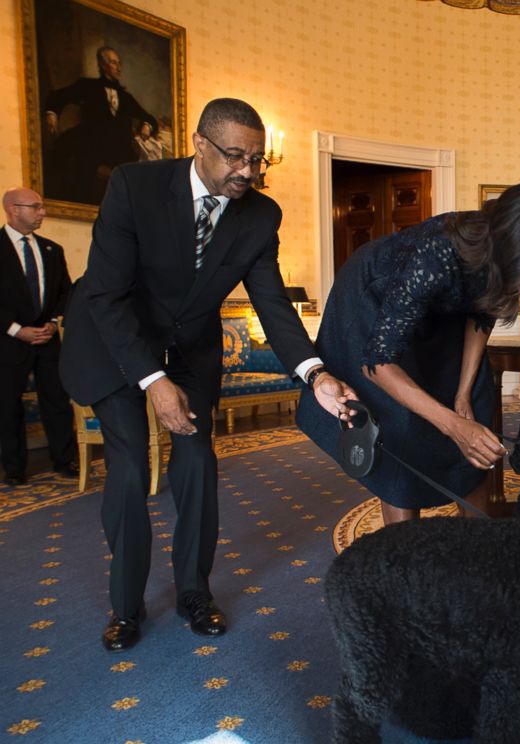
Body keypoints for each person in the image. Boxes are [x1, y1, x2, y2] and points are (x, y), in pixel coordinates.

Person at [59, 98, 357, 653]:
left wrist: (315, 374)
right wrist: (153, 380)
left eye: (257, 160)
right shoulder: (134, 186)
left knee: (197, 460)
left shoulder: (261, 215)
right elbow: (105, 294)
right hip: (112, 339)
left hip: (187, 344)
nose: (247, 171)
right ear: (200, 144)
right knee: (128, 468)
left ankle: (195, 592)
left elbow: (273, 305)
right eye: (235, 156)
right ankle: (125, 607)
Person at [297, 180, 520, 525]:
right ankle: (404, 554)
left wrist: (463, 394)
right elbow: (378, 363)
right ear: (510, 248)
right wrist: (452, 425)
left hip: (440, 313)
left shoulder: (507, 262)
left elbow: (482, 314)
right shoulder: (434, 255)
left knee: (476, 412)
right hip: (373, 309)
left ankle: (479, 547)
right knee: (401, 425)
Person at [0, 188, 76, 486]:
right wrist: (18, 330)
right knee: (7, 406)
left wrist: (54, 323)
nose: (42, 212)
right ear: (12, 209)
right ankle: (15, 469)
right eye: (35, 207)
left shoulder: (52, 249)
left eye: (42, 206)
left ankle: (64, 460)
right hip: (8, 341)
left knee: (57, 401)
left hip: (48, 339)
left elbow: (65, 293)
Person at [43, 46, 158, 204]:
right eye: (113, 63)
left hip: (118, 147)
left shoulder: (125, 97)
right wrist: (52, 113)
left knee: (136, 177)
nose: (118, 67)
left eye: (119, 63)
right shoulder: (88, 86)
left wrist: (147, 125)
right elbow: (58, 97)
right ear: (103, 65)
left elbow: (149, 118)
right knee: (78, 163)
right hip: (92, 142)